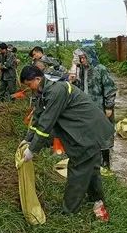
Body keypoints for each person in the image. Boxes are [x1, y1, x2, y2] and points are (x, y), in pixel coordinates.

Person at [19, 66, 114, 221]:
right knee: (91, 167)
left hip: (87, 130)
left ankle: (68, 212)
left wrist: (32, 150)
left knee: (78, 169)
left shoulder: (57, 91)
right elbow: (38, 116)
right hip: (83, 129)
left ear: (37, 79)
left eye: (29, 85)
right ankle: (96, 199)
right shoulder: (44, 91)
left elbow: (46, 123)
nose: (29, 89)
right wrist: (28, 138)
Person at [73, 48, 117, 170]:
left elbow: (110, 88)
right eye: (80, 58)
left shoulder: (100, 69)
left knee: (103, 135)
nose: (82, 60)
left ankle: (106, 162)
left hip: (100, 107)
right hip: (87, 109)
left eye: (84, 58)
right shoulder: (81, 70)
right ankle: (93, 161)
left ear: (90, 57)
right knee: (90, 135)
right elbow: (79, 88)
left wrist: (109, 107)